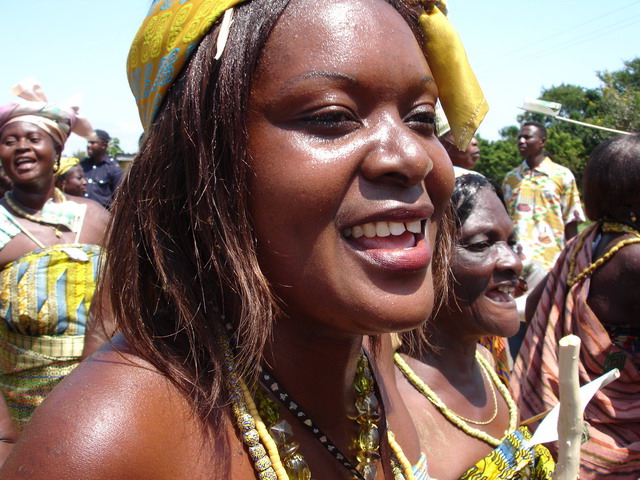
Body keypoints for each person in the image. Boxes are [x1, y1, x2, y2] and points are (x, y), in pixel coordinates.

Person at [0, 0, 488, 478]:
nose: (413, 156)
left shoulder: (370, 351)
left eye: (421, 118)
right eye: (331, 115)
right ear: (198, 162)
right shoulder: (109, 445)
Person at [394, 173, 554, 480]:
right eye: (481, 244)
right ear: (421, 260)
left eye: (512, 243)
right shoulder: (391, 401)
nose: (513, 262)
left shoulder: (486, 363)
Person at [513, 134, 640, 479]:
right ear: (632, 200)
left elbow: (537, 306)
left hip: (572, 409)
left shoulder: (584, 243)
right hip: (618, 427)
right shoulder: (633, 258)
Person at [0, 84, 109, 430]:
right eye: (9, 141)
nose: (21, 147)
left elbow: (123, 302)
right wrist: (4, 432)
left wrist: (93, 379)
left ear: (57, 150)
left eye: (33, 139)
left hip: (102, 397)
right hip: (19, 408)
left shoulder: (95, 217)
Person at [502, 121, 584, 281]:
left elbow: (571, 221)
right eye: (519, 138)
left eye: (527, 137)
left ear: (542, 141)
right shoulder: (511, 179)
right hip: (518, 261)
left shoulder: (562, 175)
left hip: (552, 261)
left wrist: (574, 259)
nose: (521, 141)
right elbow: (505, 222)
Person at [80, 129, 122, 208]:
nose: (88, 145)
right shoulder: (82, 165)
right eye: (88, 142)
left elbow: (118, 198)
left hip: (102, 213)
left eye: (92, 142)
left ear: (104, 145)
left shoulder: (113, 169)